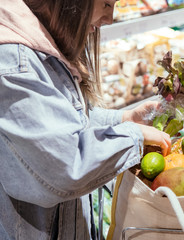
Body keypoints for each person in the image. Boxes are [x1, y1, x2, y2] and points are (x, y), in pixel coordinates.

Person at [0, 0, 171, 239]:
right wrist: (134, 137)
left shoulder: (36, 42)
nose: (109, 19)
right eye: (106, 4)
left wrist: (123, 119)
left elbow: (64, 120)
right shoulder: (15, 61)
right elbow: (65, 165)